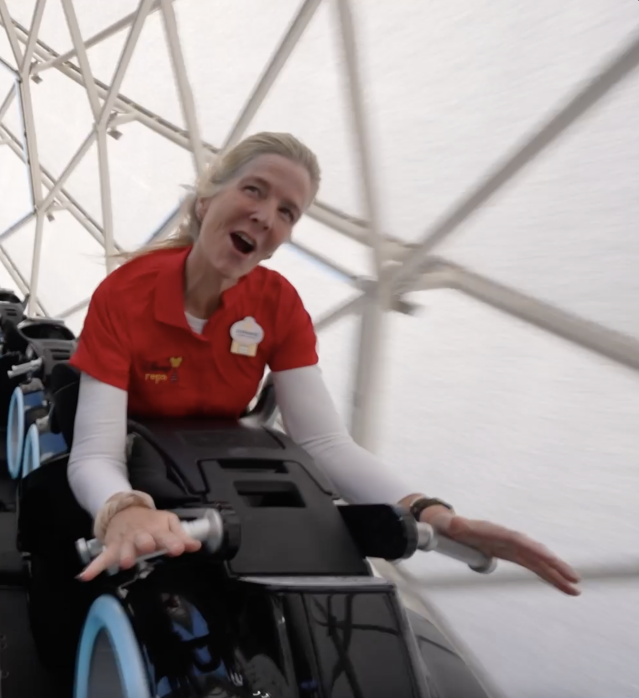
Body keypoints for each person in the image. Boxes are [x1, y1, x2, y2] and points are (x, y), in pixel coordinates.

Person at [66, 132, 582, 596]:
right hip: (135, 451)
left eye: (288, 212)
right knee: (64, 555)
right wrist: (123, 509)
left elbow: (324, 442)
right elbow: (96, 452)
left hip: (214, 463)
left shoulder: (279, 305)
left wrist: (433, 514)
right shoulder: (126, 294)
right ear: (205, 201)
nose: (266, 216)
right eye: (254, 190)